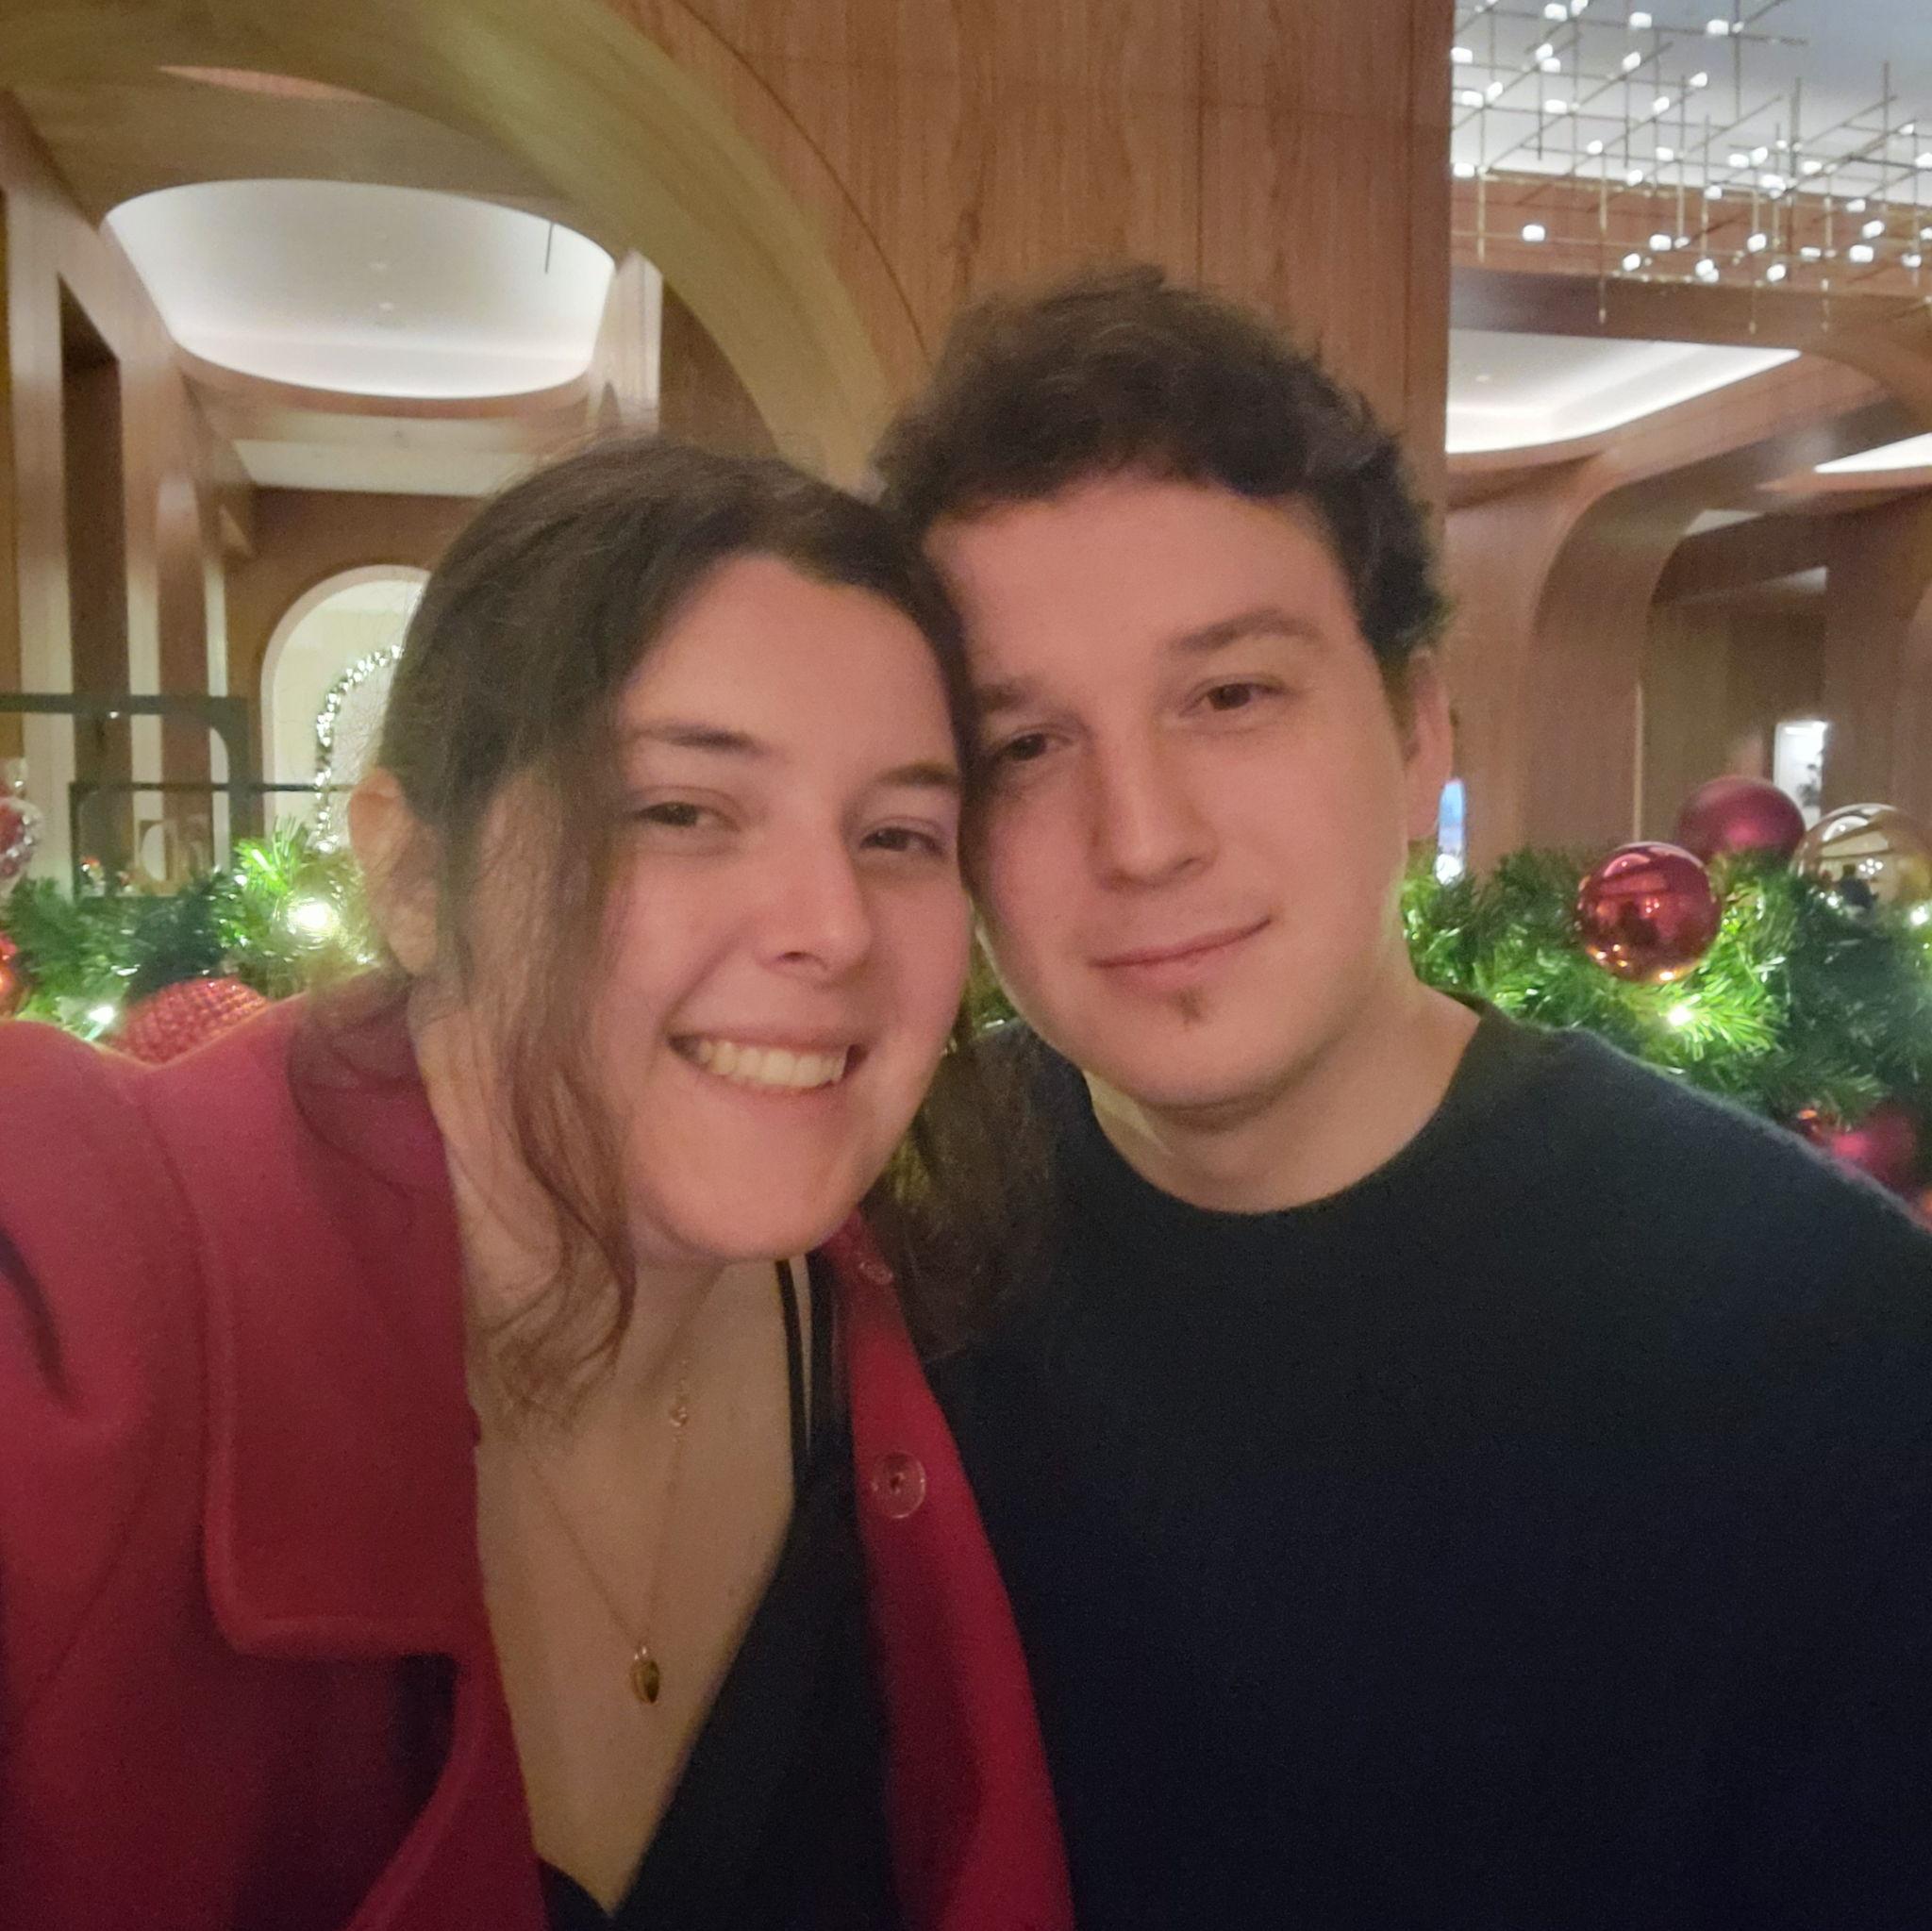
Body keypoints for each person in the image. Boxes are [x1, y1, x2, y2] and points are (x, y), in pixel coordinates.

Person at [873, 268, 1932, 1930]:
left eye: (1230, 695)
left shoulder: (1816, 1328)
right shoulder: (892, 1238)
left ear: (1418, 724)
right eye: (1023, 746)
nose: (1140, 837)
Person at [0, 439, 1070, 1931]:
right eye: (680, 810)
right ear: (413, 878)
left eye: (899, 835)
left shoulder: (932, 1329)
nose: (834, 926)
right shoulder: (78, 1296)